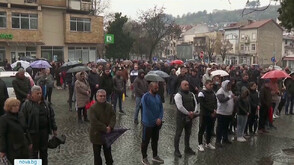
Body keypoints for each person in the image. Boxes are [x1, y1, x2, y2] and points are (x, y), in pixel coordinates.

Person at [20, 86, 57, 165]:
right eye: (37, 93)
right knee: (33, 153)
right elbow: (22, 120)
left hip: (44, 132)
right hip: (32, 133)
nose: (39, 95)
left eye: (40, 93)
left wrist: (54, 128)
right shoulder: (26, 105)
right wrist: (25, 134)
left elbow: (51, 116)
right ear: (32, 94)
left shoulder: (46, 103)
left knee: (44, 151)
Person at [88, 89, 116, 165]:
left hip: (107, 135)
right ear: (97, 97)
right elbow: (94, 122)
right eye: (101, 96)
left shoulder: (109, 106)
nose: (102, 97)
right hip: (96, 135)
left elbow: (113, 116)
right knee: (97, 156)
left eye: (104, 96)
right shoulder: (93, 108)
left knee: (108, 155)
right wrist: (105, 128)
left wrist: (110, 126)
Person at [0, 98, 32, 164]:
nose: (16, 107)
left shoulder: (21, 115)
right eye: (14, 106)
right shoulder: (4, 119)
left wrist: (30, 141)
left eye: (17, 105)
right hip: (13, 148)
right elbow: (2, 135)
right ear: (9, 107)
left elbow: (26, 129)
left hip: (24, 145)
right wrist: (2, 150)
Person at [141, 82, 164, 165]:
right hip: (148, 123)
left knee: (155, 140)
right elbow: (146, 110)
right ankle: (144, 157)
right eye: (155, 88)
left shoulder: (158, 96)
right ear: (150, 88)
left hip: (156, 124)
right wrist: (155, 119)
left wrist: (160, 118)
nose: (157, 89)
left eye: (157, 88)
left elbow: (161, 108)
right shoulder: (145, 97)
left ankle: (155, 156)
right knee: (145, 141)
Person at [174, 80, 198, 158]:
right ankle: (176, 150)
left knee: (188, 133)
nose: (187, 86)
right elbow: (180, 106)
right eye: (185, 85)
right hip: (181, 118)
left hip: (190, 117)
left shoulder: (191, 94)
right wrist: (189, 113)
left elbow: (195, 103)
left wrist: (193, 112)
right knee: (178, 134)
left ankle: (187, 148)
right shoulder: (178, 95)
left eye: (188, 84)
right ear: (181, 86)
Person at [197, 80, 217, 152]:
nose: (211, 86)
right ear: (206, 85)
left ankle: (208, 143)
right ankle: (200, 144)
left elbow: (215, 101)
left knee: (209, 129)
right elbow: (203, 104)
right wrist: (212, 111)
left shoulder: (213, 93)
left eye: (212, 85)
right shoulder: (201, 93)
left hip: (212, 114)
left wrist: (215, 110)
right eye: (210, 85)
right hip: (204, 114)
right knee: (202, 129)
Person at [215, 80, 235, 147]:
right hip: (221, 112)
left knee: (226, 127)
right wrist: (229, 97)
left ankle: (225, 138)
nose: (230, 87)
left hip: (228, 113)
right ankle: (218, 141)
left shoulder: (229, 91)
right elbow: (221, 100)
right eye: (228, 85)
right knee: (220, 127)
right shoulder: (220, 91)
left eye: (230, 85)